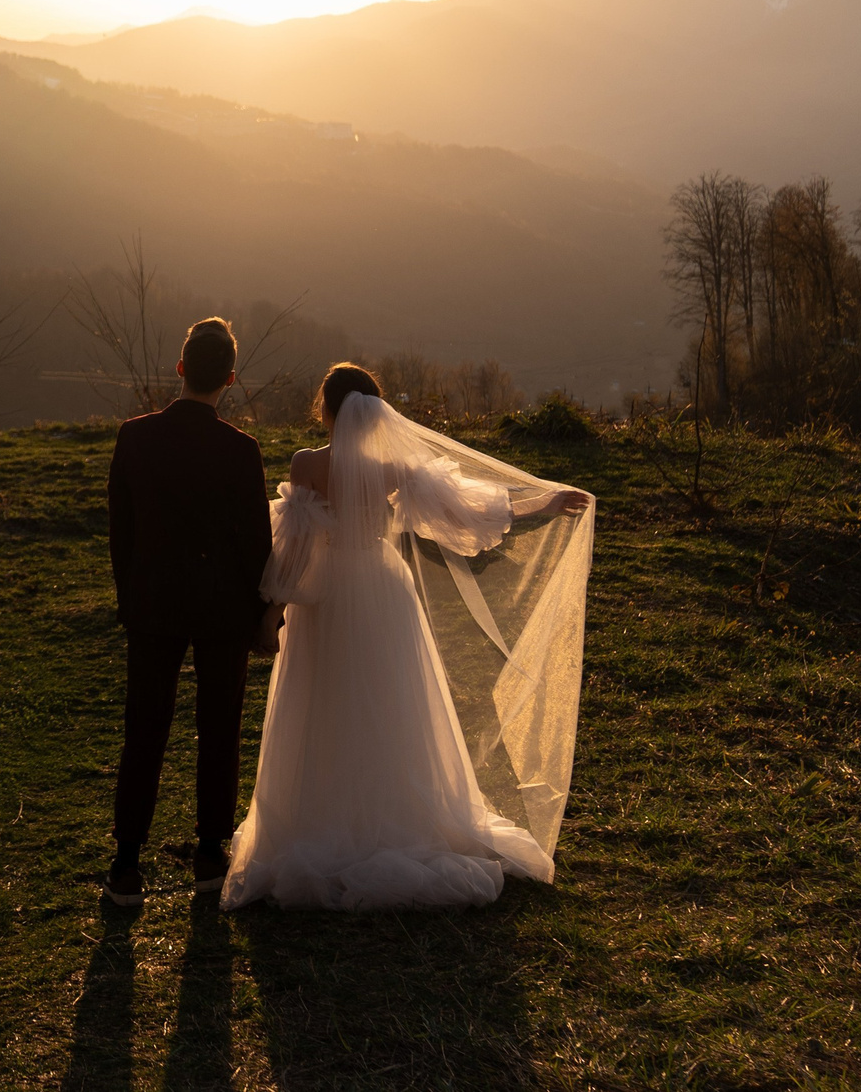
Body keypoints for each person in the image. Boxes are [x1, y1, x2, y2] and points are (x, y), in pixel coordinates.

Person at [221, 362, 594, 911]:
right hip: (384, 587)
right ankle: (399, 815)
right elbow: (467, 506)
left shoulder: (307, 465)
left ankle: (319, 819)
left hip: (328, 597)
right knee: (392, 703)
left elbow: (296, 549)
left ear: (325, 408)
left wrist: (271, 613)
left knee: (325, 702)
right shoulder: (393, 469)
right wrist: (543, 501)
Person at [101, 316, 274, 906]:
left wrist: (132, 596)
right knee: (219, 729)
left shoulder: (134, 437)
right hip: (223, 608)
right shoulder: (242, 450)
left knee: (144, 729)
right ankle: (208, 854)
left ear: (179, 369)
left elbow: (120, 531)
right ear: (230, 378)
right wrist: (259, 614)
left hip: (152, 603)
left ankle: (127, 864)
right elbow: (256, 543)